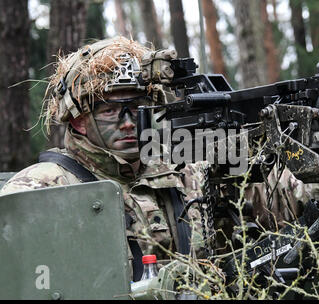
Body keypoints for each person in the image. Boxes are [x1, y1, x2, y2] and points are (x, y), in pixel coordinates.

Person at [0, 37, 207, 281]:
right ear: (78, 119)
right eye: (110, 110)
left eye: (138, 106)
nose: (129, 123)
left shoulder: (185, 175)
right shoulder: (42, 188)